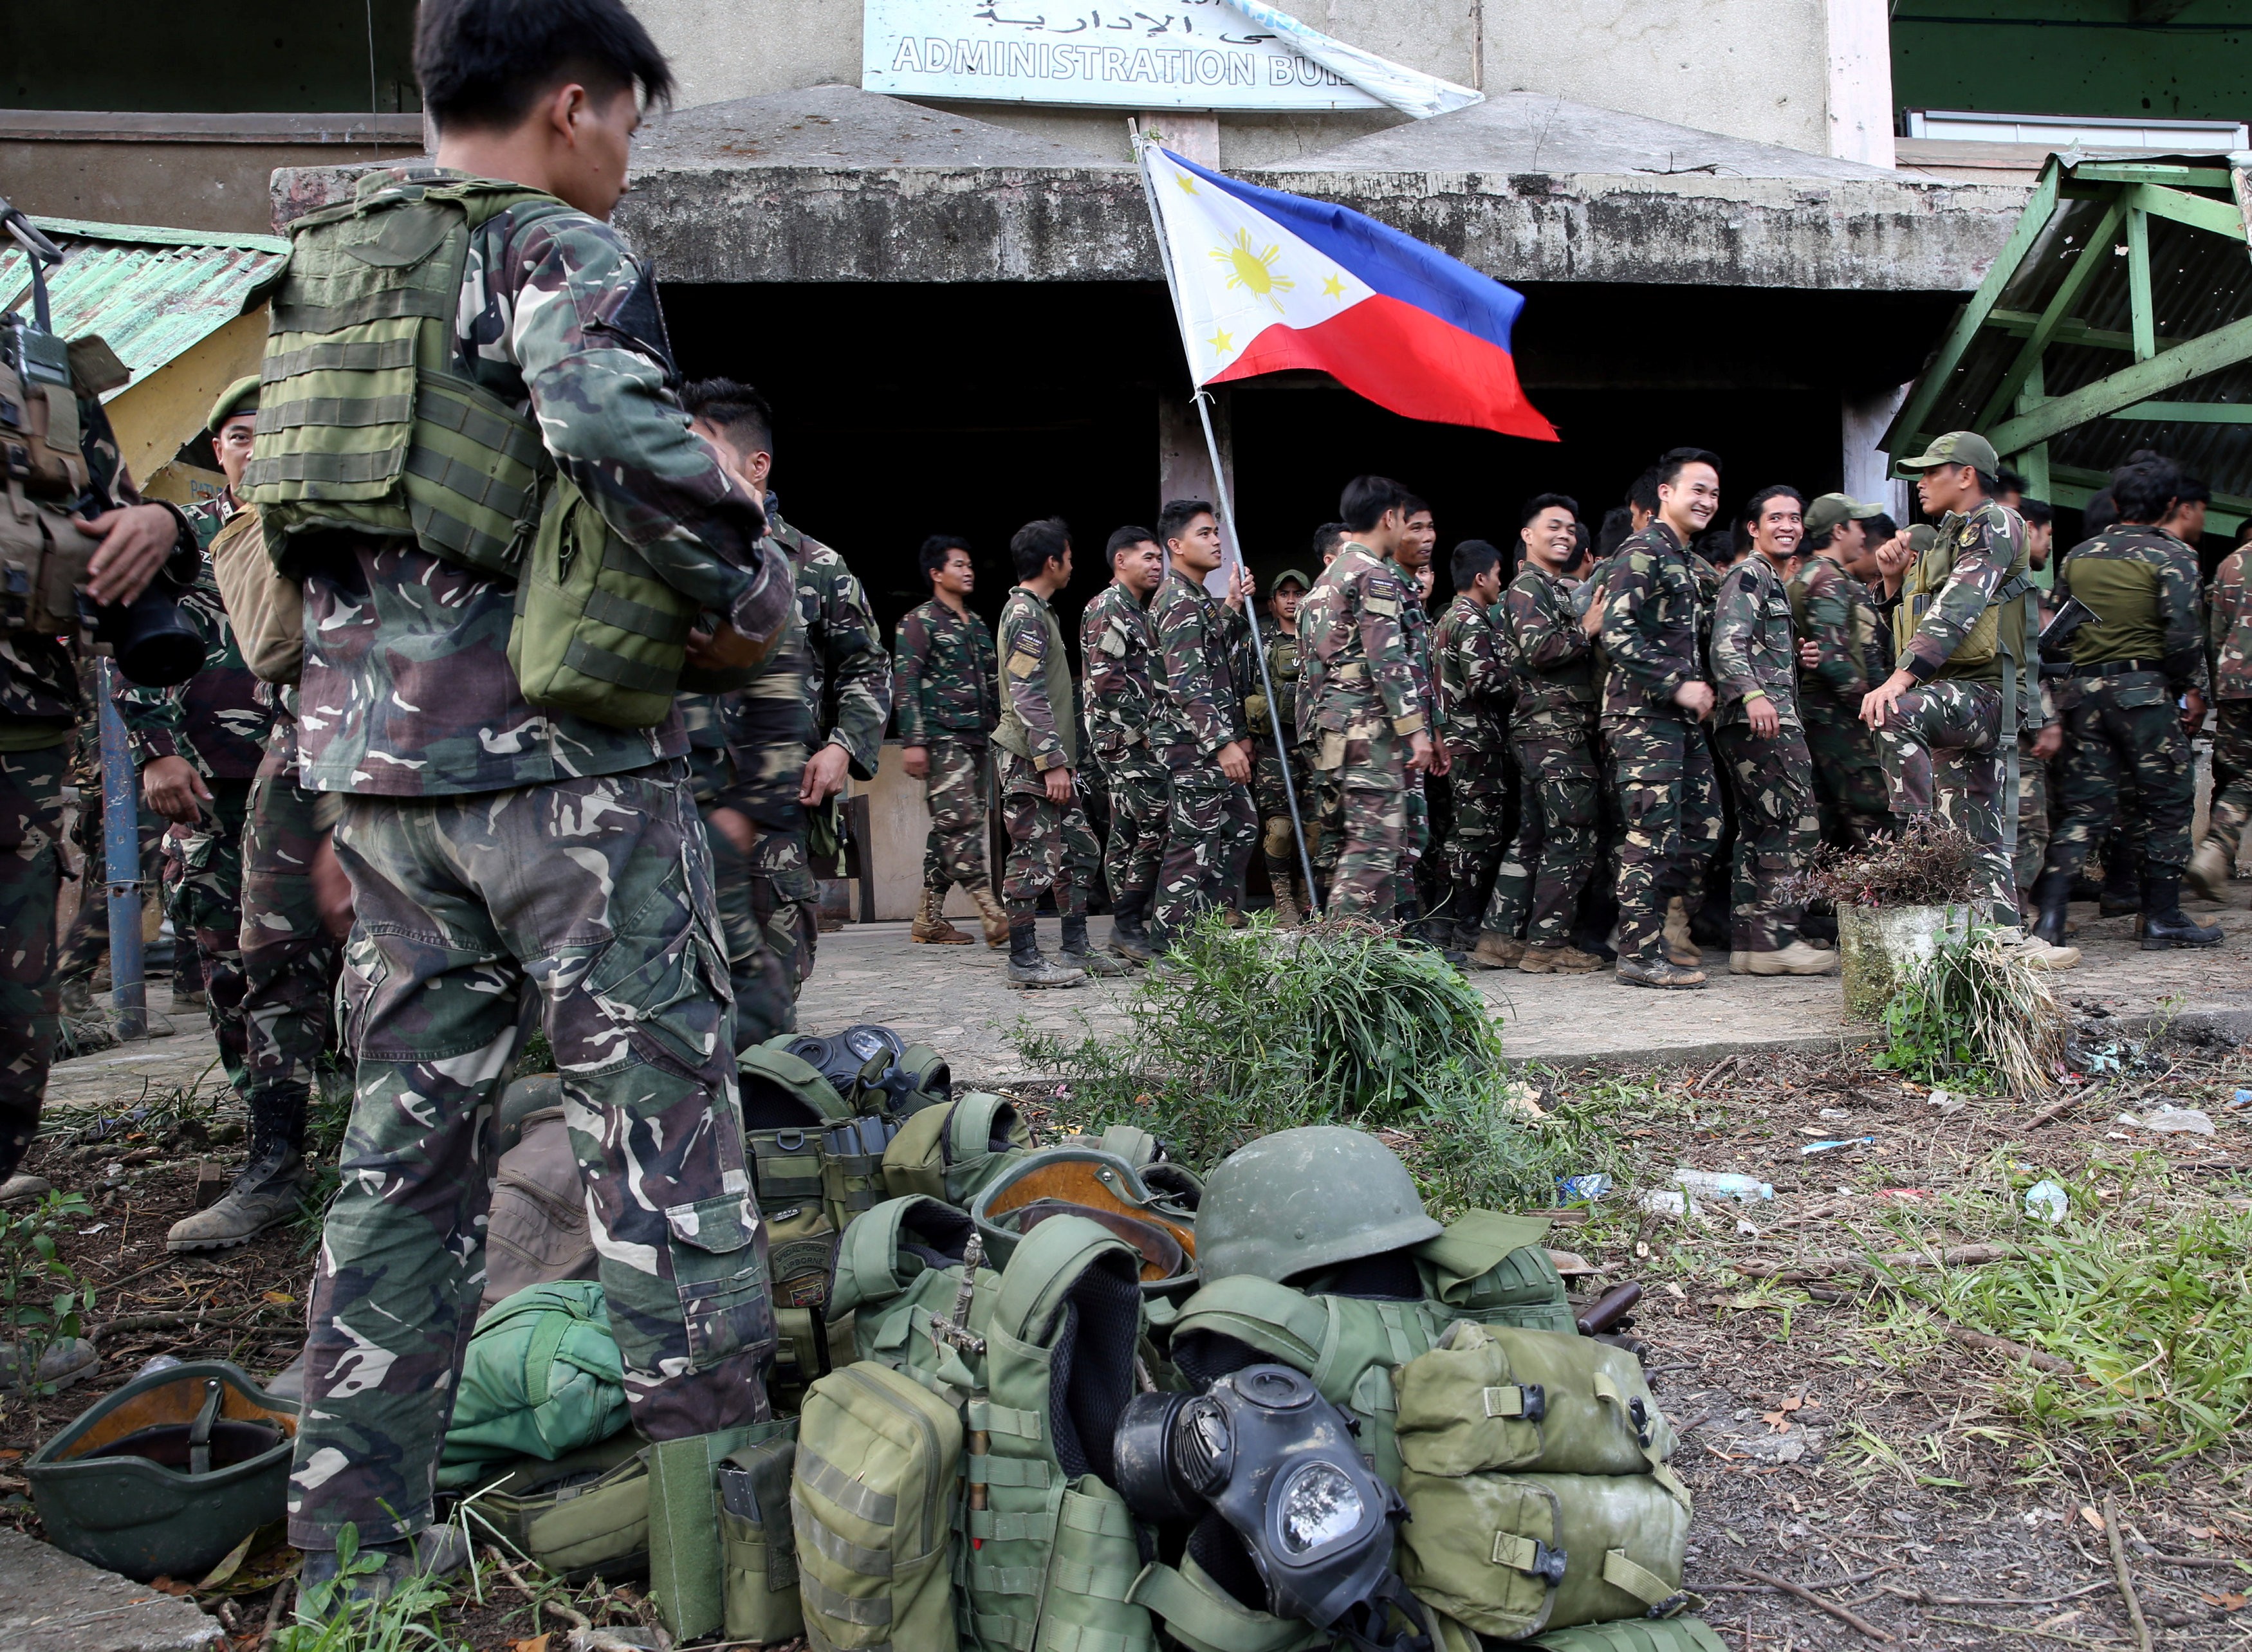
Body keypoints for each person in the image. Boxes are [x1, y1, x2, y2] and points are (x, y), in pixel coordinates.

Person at [270, 0, 794, 1604]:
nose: (628, 161)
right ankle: (728, 1574)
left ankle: (354, 1568)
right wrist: (747, 575)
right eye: (630, 124)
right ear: (572, 106)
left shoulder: (336, 260)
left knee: (401, 1161)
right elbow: (614, 429)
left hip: (380, 781)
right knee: (665, 1160)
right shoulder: (550, 250)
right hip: (556, 780)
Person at [0, 297, 201, 1209]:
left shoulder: (42, 373)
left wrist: (162, 526)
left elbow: (104, 517)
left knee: (14, 1039)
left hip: (26, 746)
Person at [142, 380, 331, 1251]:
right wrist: (158, 748)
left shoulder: (347, 507)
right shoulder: (213, 537)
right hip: (279, 758)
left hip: (387, 745)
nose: (255, 448)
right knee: (263, 953)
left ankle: (388, 1154)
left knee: (402, 955)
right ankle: (276, 1159)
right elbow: (141, 646)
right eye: (239, 435)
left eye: (272, 431)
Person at [681, 380, 891, 1034]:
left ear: (756, 463)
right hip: (671, 803)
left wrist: (840, 747)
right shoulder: (663, 555)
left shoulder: (815, 565)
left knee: (767, 993)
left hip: (775, 817)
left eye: (698, 448)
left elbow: (866, 665)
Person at [1865, 432, 2074, 966]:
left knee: (1895, 713)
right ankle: (2006, 938)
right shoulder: (1944, 538)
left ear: (1966, 475)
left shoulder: (1996, 521)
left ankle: (1917, 859)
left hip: (1987, 692)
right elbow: (1911, 625)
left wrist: (1902, 680)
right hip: (1959, 692)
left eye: (1932, 472)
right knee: (1978, 823)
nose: (1920, 484)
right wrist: (1893, 583)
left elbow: (1959, 607)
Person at [2028, 457, 2220, 950]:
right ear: (2172, 504)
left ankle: (2048, 919)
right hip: (2145, 695)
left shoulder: (2079, 555)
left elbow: (2057, 636)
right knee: (2169, 801)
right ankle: (2163, 918)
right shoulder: (2174, 556)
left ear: (2115, 503)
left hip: (2082, 698)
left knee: (2084, 809)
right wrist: (2176, 685)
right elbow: (2183, 638)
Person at [1297, 478, 1433, 920]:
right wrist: (1415, 731)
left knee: (1362, 841)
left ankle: (1373, 957)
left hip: (1338, 729)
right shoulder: (1373, 573)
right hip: (1370, 728)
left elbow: (1316, 669)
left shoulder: (1326, 579)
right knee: (1374, 846)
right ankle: (1342, 957)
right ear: (1389, 518)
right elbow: (1387, 659)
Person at [1710, 486, 1832, 975]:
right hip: (1762, 719)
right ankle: (1775, 937)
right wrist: (1755, 694)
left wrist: (1794, 659)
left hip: (1751, 718)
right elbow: (1726, 644)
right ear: (1754, 528)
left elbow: (1749, 645)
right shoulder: (1750, 574)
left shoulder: (1767, 580)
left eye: (1795, 518)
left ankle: (1749, 943)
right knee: (1796, 822)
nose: (1788, 526)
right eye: (1776, 518)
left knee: (1760, 827)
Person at [1497, 493, 1604, 974]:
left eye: (1571, 528)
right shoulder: (1528, 586)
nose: (1565, 535)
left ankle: (1498, 939)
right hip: (1552, 731)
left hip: (1547, 730)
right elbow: (1540, 649)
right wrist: (1587, 629)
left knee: (1534, 835)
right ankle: (1548, 944)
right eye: (1554, 527)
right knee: (1572, 835)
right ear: (1527, 535)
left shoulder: (1553, 586)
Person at [992, 517, 1100, 986]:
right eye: (1070, 557)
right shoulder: (1025, 615)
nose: (1073, 566)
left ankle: (1076, 949)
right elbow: (1026, 690)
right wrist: (1052, 761)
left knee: (1079, 849)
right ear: (1052, 561)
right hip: (1030, 758)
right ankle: (1024, 960)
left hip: (1051, 759)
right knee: (1033, 856)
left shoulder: (1041, 612)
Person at [1148, 499, 1259, 946]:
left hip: (1206, 744)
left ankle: (1208, 929)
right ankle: (1170, 946)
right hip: (1191, 745)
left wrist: (1231, 603)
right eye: (1205, 534)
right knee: (1192, 844)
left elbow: (1210, 651)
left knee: (1242, 827)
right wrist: (1223, 743)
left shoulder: (1194, 597)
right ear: (1176, 545)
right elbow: (1187, 684)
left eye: (1216, 532)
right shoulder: (1176, 600)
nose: (1217, 541)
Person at [895, 535, 1006, 948]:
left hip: (979, 740)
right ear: (936, 574)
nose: (968, 570)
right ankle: (990, 910)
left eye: (969, 563)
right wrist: (914, 741)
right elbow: (905, 682)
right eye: (958, 565)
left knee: (952, 828)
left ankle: (928, 919)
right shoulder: (919, 622)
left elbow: (994, 685)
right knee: (959, 825)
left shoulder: (975, 625)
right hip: (943, 739)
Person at [1080, 526, 1168, 963]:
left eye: (1159, 558)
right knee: (1159, 822)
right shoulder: (1109, 607)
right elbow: (1107, 682)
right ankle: (1128, 924)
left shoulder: (1137, 611)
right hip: (1127, 742)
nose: (1157, 565)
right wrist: (1144, 732)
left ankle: (1126, 925)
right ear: (1121, 561)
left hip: (1132, 740)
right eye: (1148, 557)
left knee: (1128, 830)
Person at [1787, 493, 1893, 848]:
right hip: (1841, 720)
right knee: (1875, 815)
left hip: (1827, 716)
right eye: (1858, 527)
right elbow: (1833, 658)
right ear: (1838, 531)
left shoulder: (1814, 576)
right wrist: (1872, 707)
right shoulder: (1828, 580)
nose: (1864, 536)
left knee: (1829, 819)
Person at [1432, 538, 1518, 962]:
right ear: (1481, 578)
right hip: (1474, 743)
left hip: (1460, 742)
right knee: (1475, 835)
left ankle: (1446, 923)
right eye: (1500, 575)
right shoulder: (1472, 620)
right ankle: (1462, 925)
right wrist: (1526, 679)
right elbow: (1484, 681)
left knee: (1460, 833)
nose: (1503, 583)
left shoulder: (1448, 618)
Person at [1387, 496, 1450, 948]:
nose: (1427, 538)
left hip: (1416, 740)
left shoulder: (1415, 604)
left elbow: (1421, 679)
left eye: (1431, 527)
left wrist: (1436, 732)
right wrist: (1414, 732)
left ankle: (1409, 929)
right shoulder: (1382, 589)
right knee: (1385, 841)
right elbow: (1387, 672)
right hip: (1386, 742)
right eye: (1416, 527)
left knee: (1413, 836)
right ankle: (1391, 933)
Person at [1247, 567, 1314, 922]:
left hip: (1313, 747)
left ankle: (1308, 896)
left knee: (1317, 827)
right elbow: (1238, 690)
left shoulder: (1320, 636)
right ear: (1273, 603)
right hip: (1273, 748)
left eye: (1298, 593)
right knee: (1281, 829)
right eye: (1285, 594)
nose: (1292, 600)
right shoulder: (1256, 640)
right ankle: (1283, 899)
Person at [2190, 520, 2250, 904]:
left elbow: (2215, 634)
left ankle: (2215, 849)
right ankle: (2214, 851)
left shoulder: (2232, 563)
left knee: (2245, 776)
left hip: (2236, 684)